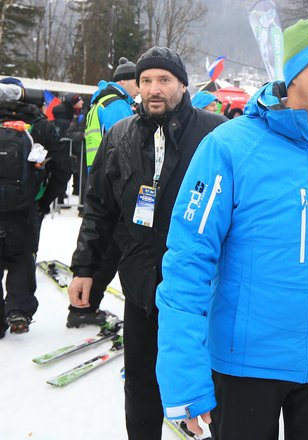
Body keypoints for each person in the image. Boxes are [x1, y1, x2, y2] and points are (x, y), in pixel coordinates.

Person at [155, 17, 308, 440]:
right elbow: (187, 264)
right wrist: (184, 378)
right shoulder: (230, 146)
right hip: (245, 367)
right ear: (292, 70)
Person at [67, 46, 226, 439]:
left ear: (183, 84)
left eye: (164, 80)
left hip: (202, 291)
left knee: (214, 382)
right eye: (146, 81)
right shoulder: (120, 136)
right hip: (141, 286)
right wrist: (86, 270)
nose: (154, 89)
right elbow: (101, 211)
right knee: (140, 380)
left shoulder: (215, 133)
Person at [67, 57, 140, 328]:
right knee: (110, 248)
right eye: (137, 81)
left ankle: (84, 302)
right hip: (114, 181)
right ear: (123, 81)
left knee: (104, 245)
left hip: (98, 177)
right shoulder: (116, 103)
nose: (140, 88)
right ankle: (83, 306)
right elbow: (130, 141)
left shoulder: (99, 101)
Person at [0, 77, 71, 335]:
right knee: (22, 256)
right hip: (24, 208)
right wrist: (44, 199)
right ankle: (19, 310)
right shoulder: (38, 124)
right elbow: (63, 166)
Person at [52, 94, 85, 197]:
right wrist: (82, 135)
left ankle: (68, 193)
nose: (82, 102)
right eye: (80, 100)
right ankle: (62, 196)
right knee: (66, 170)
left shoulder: (77, 114)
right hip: (67, 149)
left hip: (68, 149)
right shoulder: (70, 119)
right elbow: (68, 133)